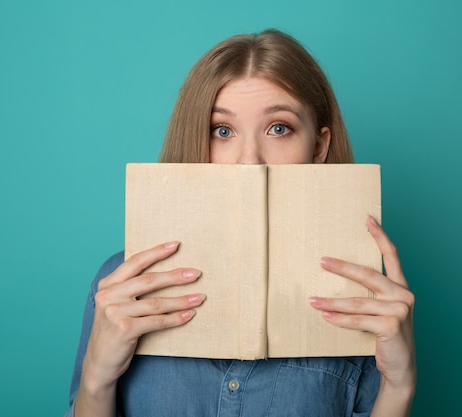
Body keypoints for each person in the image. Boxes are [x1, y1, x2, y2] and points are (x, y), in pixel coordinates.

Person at [65, 29, 416, 417]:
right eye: (223, 131)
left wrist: (398, 388)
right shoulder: (121, 286)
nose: (250, 160)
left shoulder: (364, 298)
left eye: (279, 128)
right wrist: (96, 378)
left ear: (318, 146)